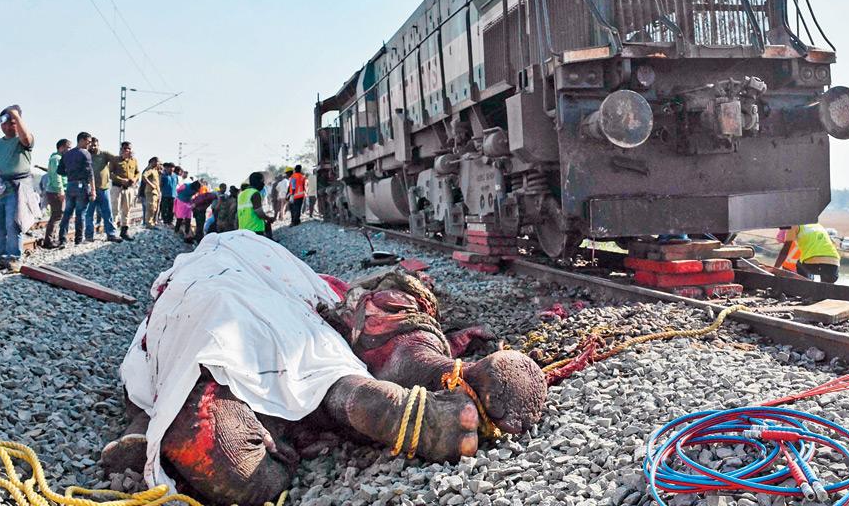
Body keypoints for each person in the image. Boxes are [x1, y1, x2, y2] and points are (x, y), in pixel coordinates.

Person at [105, 232, 545, 506]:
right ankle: (407, 379)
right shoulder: (276, 262)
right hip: (271, 286)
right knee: (318, 348)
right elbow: (335, 305)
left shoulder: (186, 273)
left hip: (200, 300)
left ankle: (198, 410)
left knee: (190, 344)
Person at [0, 106, 36, 266]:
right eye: (5, 123)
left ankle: (14, 259)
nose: (7, 127)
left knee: (13, 225)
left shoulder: (23, 140)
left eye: (12, 123)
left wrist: (15, 115)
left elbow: (26, 138)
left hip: (16, 189)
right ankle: (2, 259)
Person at [56, 132, 96, 247]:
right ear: (81, 140)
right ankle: (78, 240)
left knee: (67, 213)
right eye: (88, 142)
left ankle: (62, 240)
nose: (89, 144)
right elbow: (90, 173)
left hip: (70, 185)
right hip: (82, 186)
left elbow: (60, 171)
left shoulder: (67, 154)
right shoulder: (85, 154)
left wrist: (71, 172)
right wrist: (93, 190)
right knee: (80, 214)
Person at [85, 137, 123, 243]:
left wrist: (123, 155)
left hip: (104, 189)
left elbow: (116, 159)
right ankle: (89, 236)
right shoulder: (86, 155)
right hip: (91, 189)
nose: (93, 147)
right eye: (91, 145)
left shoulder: (104, 154)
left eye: (95, 145)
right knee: (89, 214)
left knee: (107, 213)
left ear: (98, 145)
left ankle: (111, 234)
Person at [772, 224, 840, 282]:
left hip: (812, 263)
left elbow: (785, 250)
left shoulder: (794, 225)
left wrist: (775, 269)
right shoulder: (818, 225)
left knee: (799, 263)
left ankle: (805, 285)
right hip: (834, 263)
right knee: (825, 288)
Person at [41, 139, 69, 249]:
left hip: (56, 190)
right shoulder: (56, 159)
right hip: (55, 191)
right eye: (68, 147)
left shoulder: (59, 158)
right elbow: (57, 176)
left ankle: (51, 239)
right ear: (61, 147)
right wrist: (60, 191)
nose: (69, 150)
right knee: (57, 215)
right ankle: (49, 241)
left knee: (57, 215)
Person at [109, 141, 139, 241]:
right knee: (115, 210)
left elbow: (137, 173)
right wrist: (121, 180)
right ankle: (112, 233)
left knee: (127, 210)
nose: (127, 150)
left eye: (129, 148)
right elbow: (110, 173)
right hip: (117, 188)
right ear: (121, 149)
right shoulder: (115, 160)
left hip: (129, 189)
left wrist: (134, 179)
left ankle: (124, 232)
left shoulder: (133, 161)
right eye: (125, 148)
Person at [237, 172, 274, 237]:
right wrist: (269, 219)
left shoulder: (241, 194)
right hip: (255, 229)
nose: (263, 184)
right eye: (262, 181)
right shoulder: (255, 193)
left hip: (243, 229)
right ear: (258, 181)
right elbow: (259, 213)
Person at [140, 157, 162, 228]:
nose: (158, 163)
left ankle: (152, 222)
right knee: (150, 208)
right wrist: (151, 184)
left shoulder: (155, 170)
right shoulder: (149, 169)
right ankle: (149, 224)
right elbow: (144, 176)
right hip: (150, 192)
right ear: (152, 162)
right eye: (157, 162)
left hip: (156, 192)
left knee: (154, 208)